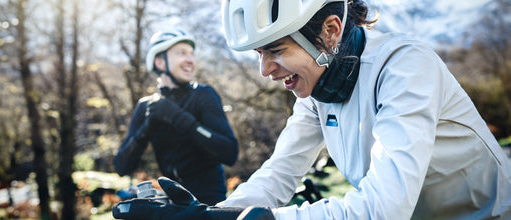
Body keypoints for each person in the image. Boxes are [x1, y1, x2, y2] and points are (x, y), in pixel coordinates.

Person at [112, 0, 511, 219]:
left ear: (331, 31)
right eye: (258, 54)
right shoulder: (317, 89)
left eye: (276, 51)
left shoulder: (405, 66)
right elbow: (278, 175)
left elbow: (383, 208)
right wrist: (209, 215)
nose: (266, 70)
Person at [113, 28, 238, 206]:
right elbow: (121, 166)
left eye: (192, 54)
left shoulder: (204, 95)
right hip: (175, 205)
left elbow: (230, 153)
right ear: (160, 62)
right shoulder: (147, 106)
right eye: (181, 53)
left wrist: (179, 118)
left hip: (211, 205)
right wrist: (147, 128)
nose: (190, 60)